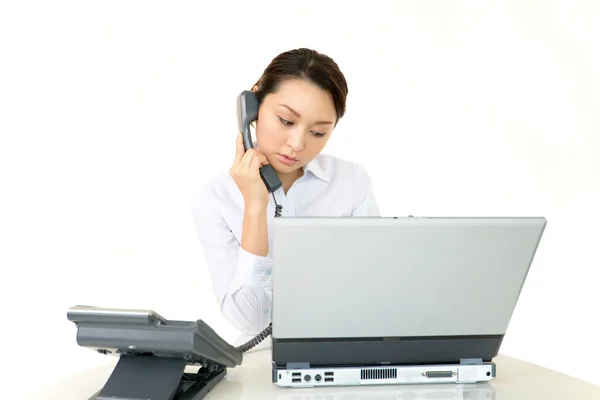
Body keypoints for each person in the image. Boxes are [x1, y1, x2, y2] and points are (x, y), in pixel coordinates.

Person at [191, 48, 379, 336]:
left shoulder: (351, 183)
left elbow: (373, 295)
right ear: (253, 106)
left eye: (318, 133)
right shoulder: (215, 198)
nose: (298, 143)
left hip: (344, 348)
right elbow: (251, 322)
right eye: (287, 121)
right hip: (261, 365)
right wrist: (255, 208)